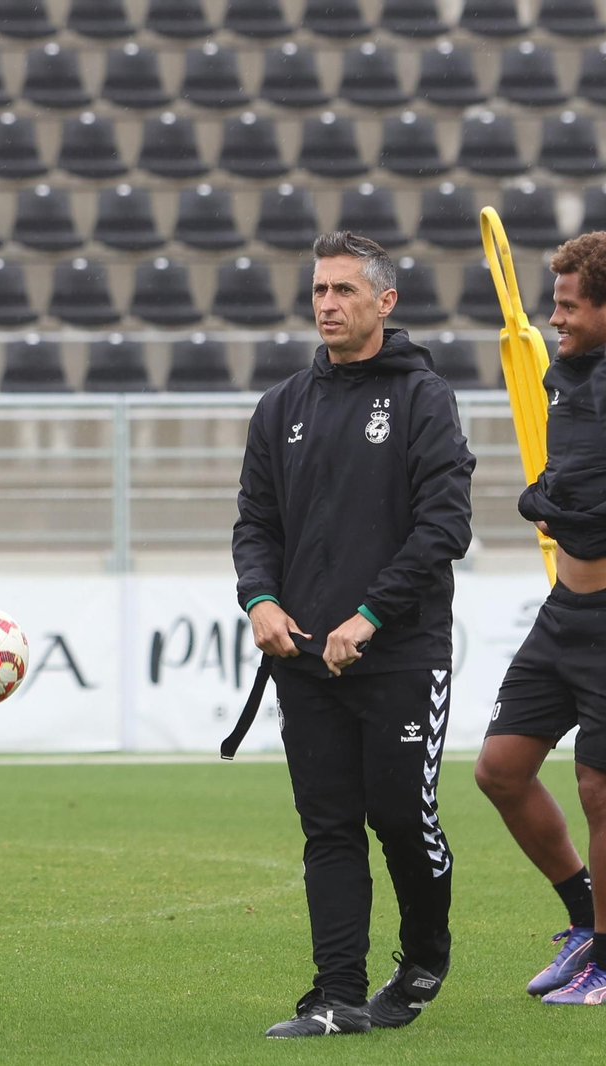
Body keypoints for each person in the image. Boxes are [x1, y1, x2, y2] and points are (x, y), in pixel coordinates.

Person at [233, 231, 476, 1037]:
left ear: (384, 301)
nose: (328, 305)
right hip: (304, 661)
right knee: (329, 827)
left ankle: (425, 956)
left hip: (400, 654)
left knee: (403, 818)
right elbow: (255, 524)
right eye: (319, 291)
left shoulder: (422, 398)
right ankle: (338, 996)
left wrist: (369, 616)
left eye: (343, 290)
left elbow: (446, 525)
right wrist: (262, 600)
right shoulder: (281, 408)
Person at [475, 232, 606, 1006]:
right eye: (552, 304)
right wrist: (548, 493)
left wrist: (572, 505)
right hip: (564, 609)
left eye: (569, 306)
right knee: (500, 769)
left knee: (598, 789)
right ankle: (583, 923)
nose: (554, 318)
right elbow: (567, 480)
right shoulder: (562, 376)